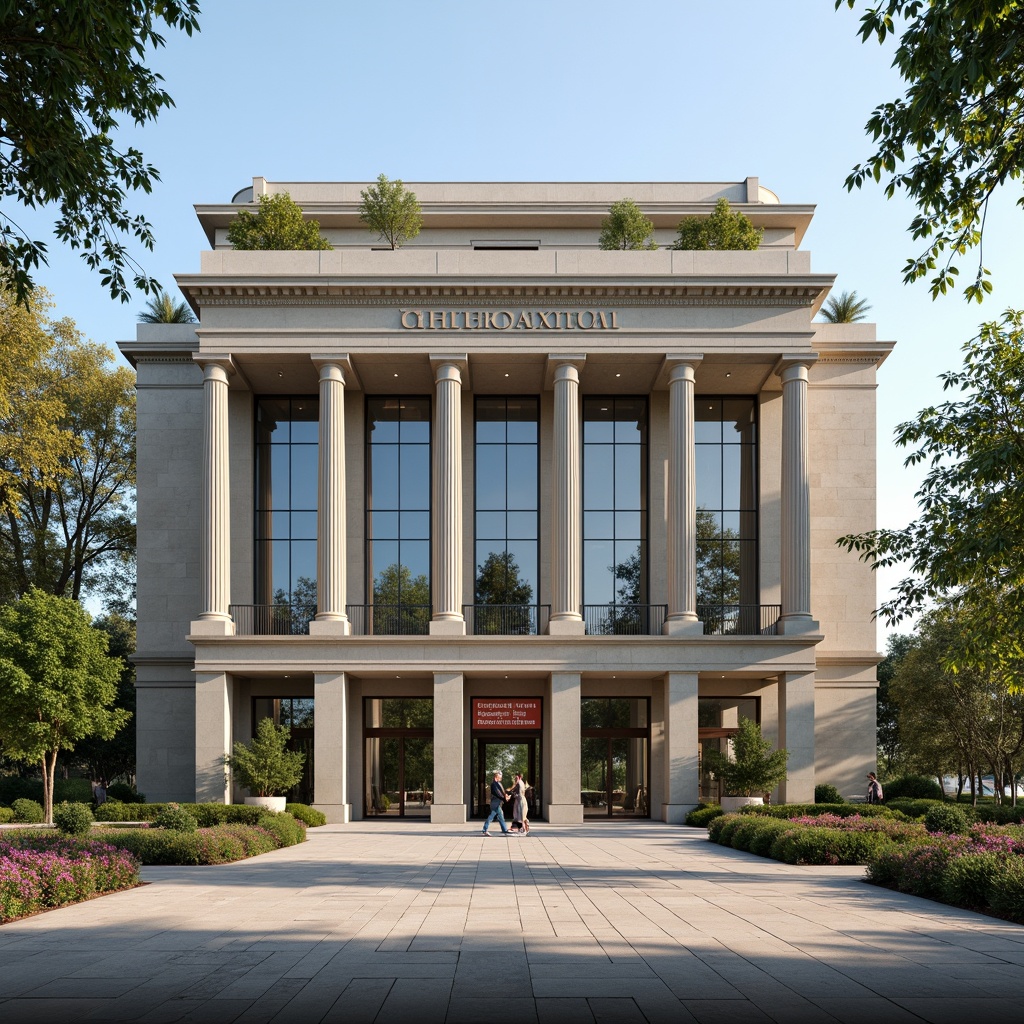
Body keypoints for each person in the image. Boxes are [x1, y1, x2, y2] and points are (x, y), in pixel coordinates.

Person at [482, 770, 511, 835]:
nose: (501, 778)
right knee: (491, 817)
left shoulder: (498, 784)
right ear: (496, 777)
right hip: (495, 803)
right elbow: (498, 793)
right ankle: (485, 830)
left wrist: (505, 796)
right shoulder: (494, 784)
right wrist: (504, 798)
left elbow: (501, 792)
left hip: (497, 803)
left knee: (500, 816)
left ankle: (504, 829)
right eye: (500, 777)